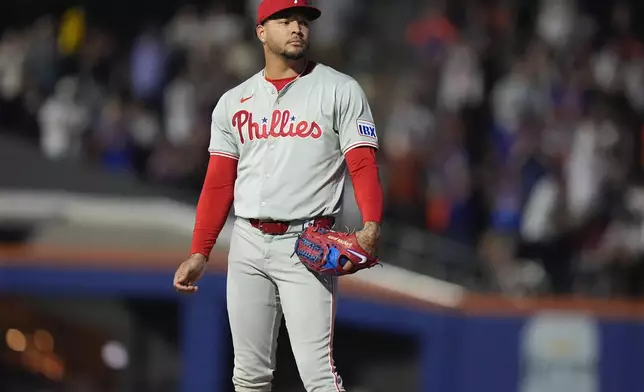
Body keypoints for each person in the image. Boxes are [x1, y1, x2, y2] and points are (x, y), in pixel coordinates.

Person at [172, 1, 383, 390]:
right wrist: (200, 251)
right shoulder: (234, 102)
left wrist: (371, 224)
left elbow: (363, 164)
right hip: (248, 242)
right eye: (285, 20)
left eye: (303, 21)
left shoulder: (340, 90)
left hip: (306, 244)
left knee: (318, 375)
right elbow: (219, 183)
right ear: (261, 31)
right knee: (248, 376)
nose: (297, 28)